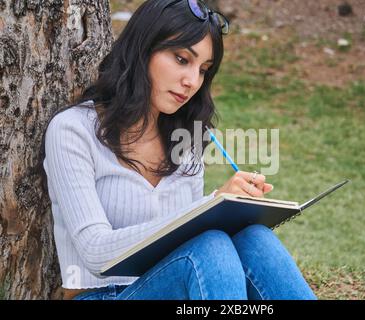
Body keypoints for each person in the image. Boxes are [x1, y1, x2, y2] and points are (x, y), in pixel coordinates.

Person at [39, 0, 317, 300]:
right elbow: (96, 252)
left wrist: (231, 210)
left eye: (204, 70)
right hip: (100, 294)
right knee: (209, 248)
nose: (192, 82)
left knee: (254, 239)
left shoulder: (185, 139)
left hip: (178, 289)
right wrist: (207, 206)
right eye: (182, 59)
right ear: (144, 47)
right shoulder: (72, 130)